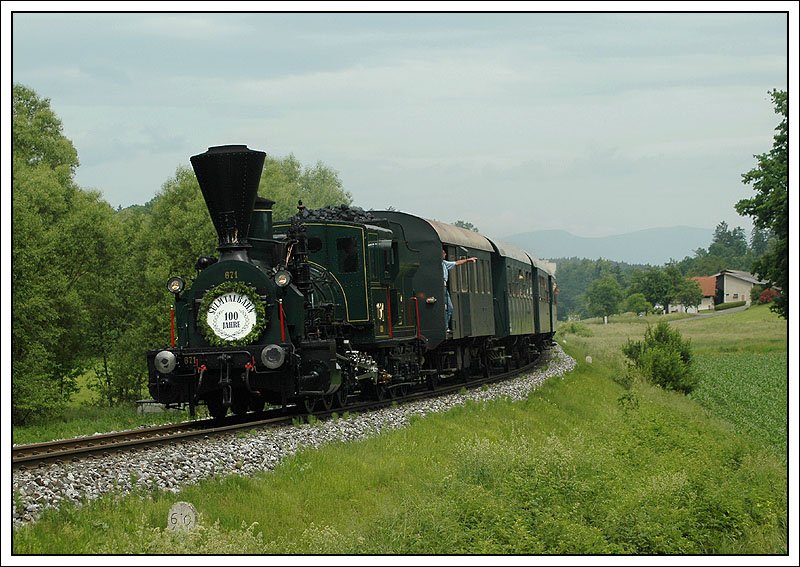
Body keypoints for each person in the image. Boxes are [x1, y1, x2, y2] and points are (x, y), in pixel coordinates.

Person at [442, 249, 477, 332]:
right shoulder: (438, 264)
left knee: (449, 308)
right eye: (443, 253)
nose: (445, 254)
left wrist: (467, 260)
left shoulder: (444, 263)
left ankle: (446, 326)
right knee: (448, 308)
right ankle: (445, 327)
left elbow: (456, 263)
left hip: (444, 288)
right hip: (442, 288)